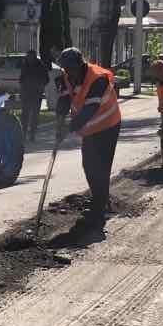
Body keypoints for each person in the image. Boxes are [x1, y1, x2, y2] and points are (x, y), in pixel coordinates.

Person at [55, 46, 122, 219]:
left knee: (101, 166)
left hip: (108, 125)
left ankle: (100, 206)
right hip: (90, 128)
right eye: (65, 69)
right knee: (88, 164)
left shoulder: (97, 79)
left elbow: (89, 110)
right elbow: (63, 101)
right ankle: (99, 199)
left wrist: (68, 128)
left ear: (80, 65)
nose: (68, 72)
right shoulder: (68, 76)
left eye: (70, 68)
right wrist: (59, 123)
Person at [18, 49, 48, 141]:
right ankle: (23, 133)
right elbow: (21, 78)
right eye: (28, 57)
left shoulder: (41, 65)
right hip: (26, 93)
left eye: (31, 57)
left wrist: (40, 86)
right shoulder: (25, 65)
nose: (29, 59)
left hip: (36, 93)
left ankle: (32, 134)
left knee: (35, 114)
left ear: (34, 57)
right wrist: (21, 89)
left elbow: (46, 79)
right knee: (25, 114)